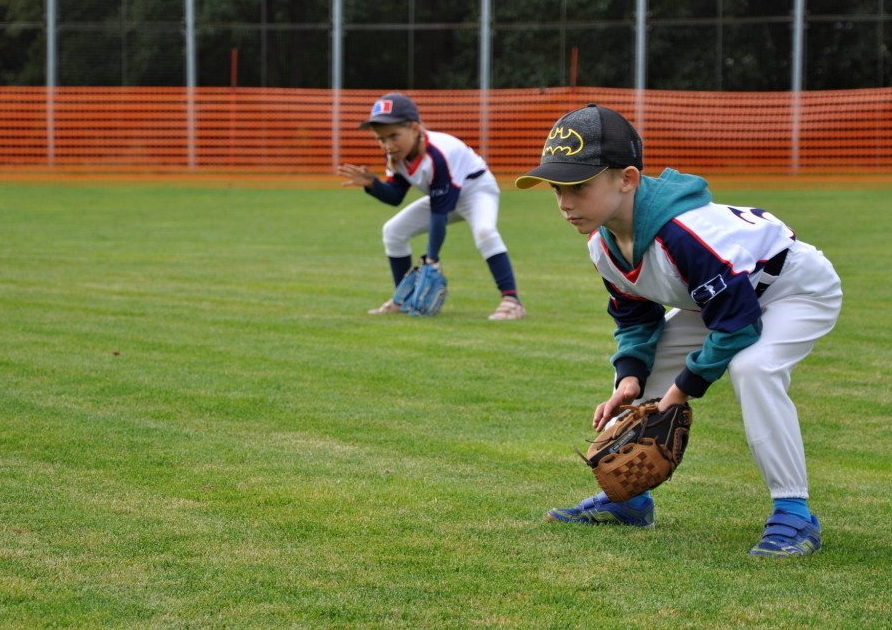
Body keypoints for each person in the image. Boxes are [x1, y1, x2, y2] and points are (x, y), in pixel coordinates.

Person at [516, 104, 842, 557]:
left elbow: (738, 328)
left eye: (578, 186)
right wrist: (631, 372)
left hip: (795, 289)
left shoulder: (684, 234)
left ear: (626, 179)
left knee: (753, 367)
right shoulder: (603, 244)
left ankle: (794, 513)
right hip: (721, 301)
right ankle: (629, 502)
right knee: (636, 384)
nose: (565, 203)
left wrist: (681, 391)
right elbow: (635, 317)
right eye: (557, 188)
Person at [337, 93, 525, 320]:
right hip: (445, 197)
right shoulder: (397, 156)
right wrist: (373, 185)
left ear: (415, 128)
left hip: (476, 191)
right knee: (393, 231)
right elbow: (395, 196)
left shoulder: (439, 154)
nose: (387, 145)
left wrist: (431, 259)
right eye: (381, 139)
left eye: (393, 136)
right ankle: (403, 298)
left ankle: (512, 300)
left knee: (485, 231)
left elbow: (439, 214)